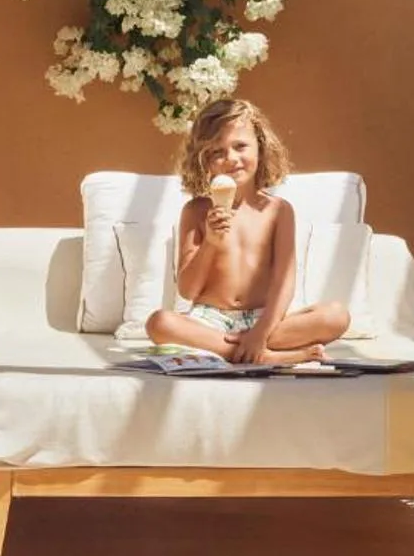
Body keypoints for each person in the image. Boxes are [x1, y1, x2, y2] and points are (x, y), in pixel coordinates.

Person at [145, 97, 349, 365]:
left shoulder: (278, 211)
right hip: (209, 320)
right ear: (203, 161)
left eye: (240, 146)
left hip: (266, 319)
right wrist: (211, 243)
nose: (231, 159)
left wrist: (261, 331)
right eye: (217, 152)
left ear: (260, 148)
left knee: (336, 315)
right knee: (159, 323)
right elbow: (188, 290)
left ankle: (249, 347)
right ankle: (262, 356)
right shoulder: (196, 211)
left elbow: (283, 283)